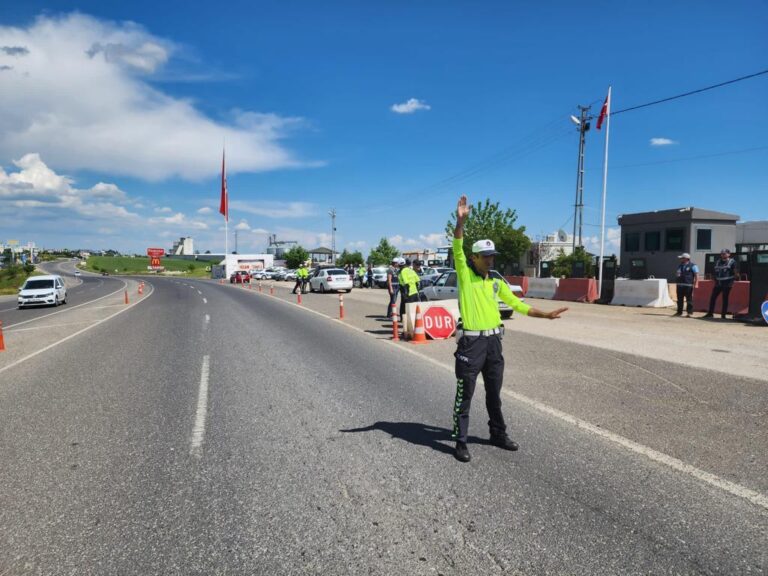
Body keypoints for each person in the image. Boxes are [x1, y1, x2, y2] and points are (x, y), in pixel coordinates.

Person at [451, 195, 568, 463]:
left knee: (494, 394)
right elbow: (458, 244)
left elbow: (518, 305)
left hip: (494, 344)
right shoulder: (464, 273)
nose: (491, 260)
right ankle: (460, 441)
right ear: (475, 257)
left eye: (493, 256)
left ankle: (498, 434)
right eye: (486, 256)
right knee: (464, 396)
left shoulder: (495, 282)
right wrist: (460, 221)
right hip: (471, 345)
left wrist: (546, 315)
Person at [704, 248, 737, 319]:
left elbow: (735, 272)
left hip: (727, 283)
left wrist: (734, 280)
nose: (723, 255)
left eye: (724, 253)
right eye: (722, 253)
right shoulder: (718, 261)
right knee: (713, 297)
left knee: (725, 299)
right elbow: (715, 271)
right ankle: (710, 313)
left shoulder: (732, 262)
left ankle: (723, 315)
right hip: (718, 283)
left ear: (729, 254)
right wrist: (714, 278)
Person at [674, 253, 699, 317]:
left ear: (686, 259)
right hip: (679, 285)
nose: (680, 259)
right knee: (679, 299)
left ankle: (689, 313)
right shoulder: (680, 266)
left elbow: (696, 275)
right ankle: (679, 312)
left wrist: (696, 283)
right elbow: (678, 274)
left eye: (682, 258)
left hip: (688, 285)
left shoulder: (693, 266)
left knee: (689, 299)